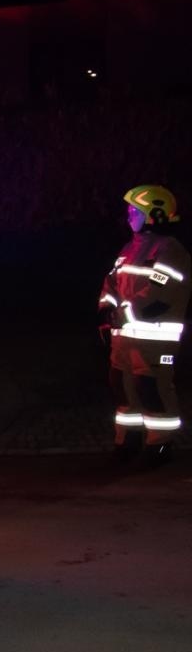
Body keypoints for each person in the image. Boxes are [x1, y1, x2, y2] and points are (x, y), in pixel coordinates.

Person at [98, 184, 190, 464]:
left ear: (154, 213)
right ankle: (128, 441)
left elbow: (160, 293)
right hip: (124, 340)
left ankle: (160, 445)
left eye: (134, 210)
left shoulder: (170, 250)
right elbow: (111, 283)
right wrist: (106, 312)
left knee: (152, 389)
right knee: (123, 388)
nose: (129, 215)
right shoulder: (129, 248)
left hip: (155, 340)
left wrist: (122, 312)